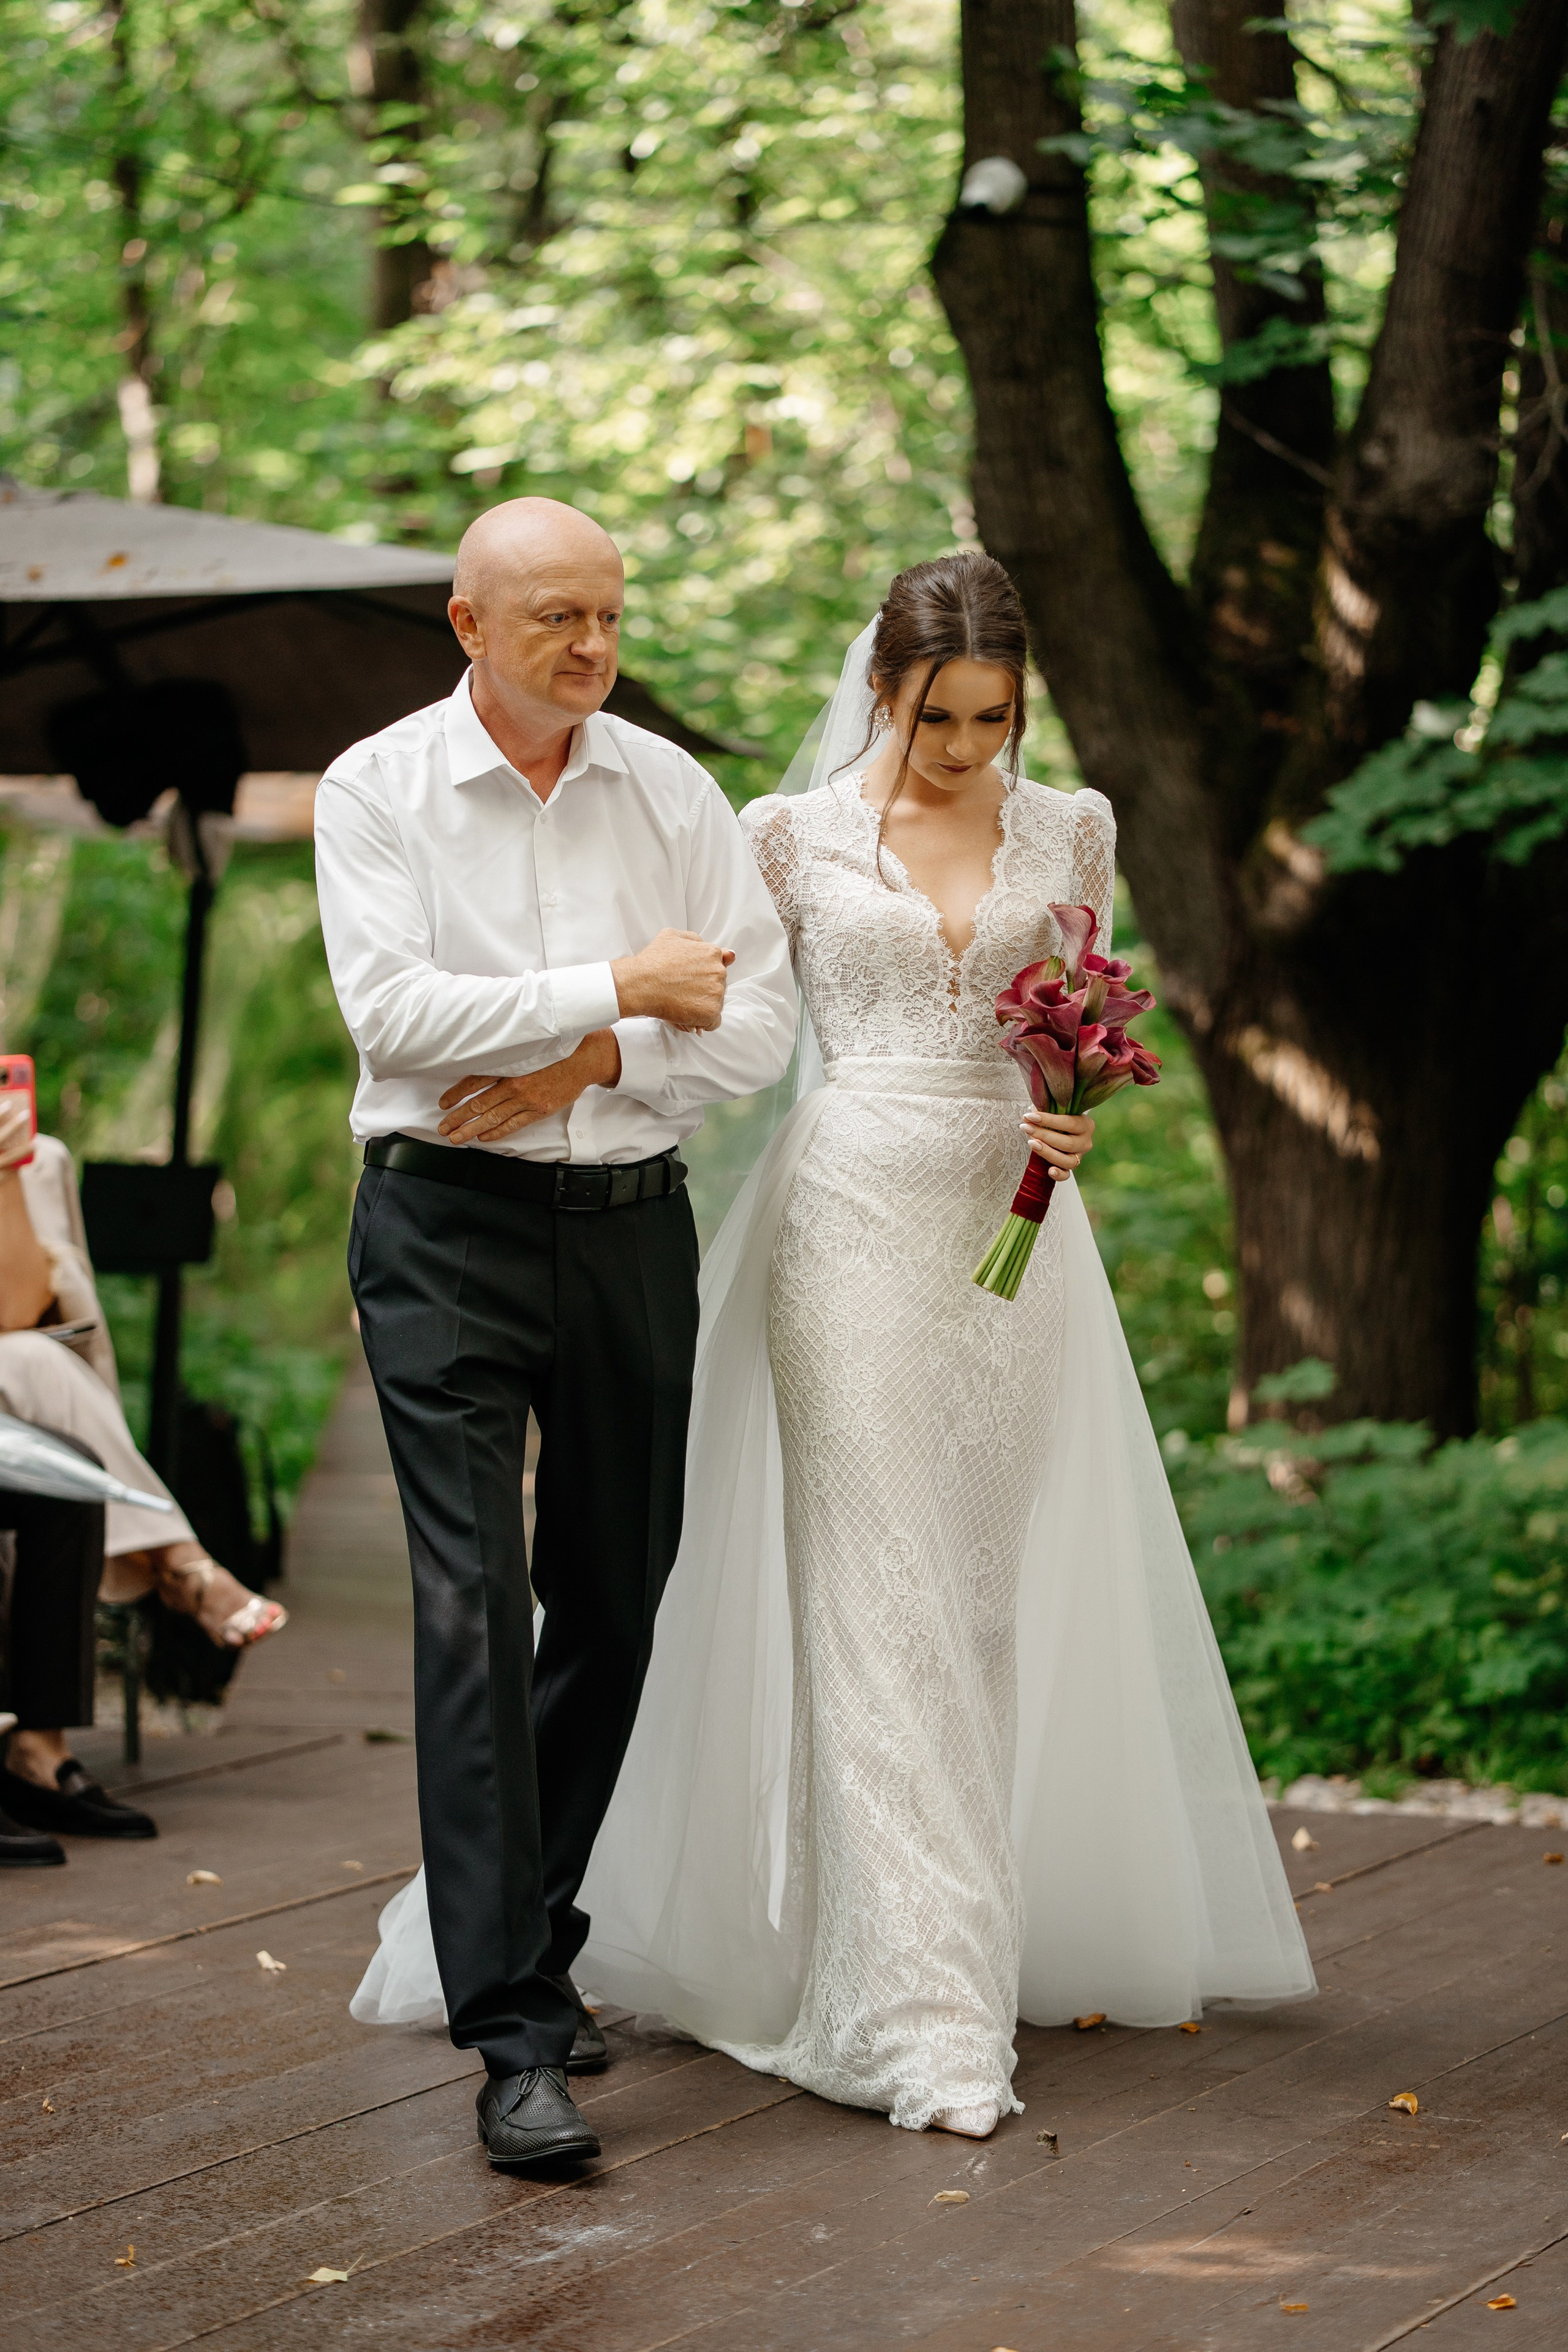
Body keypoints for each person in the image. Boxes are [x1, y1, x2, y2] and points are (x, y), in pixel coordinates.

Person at [353, 551, 1314, 2140]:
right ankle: (916, 2015)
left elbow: (1065, 1014)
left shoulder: (1074, 825)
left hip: (1010, 1237)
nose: (967, 751)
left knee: (980, 1606)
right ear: (883, 690)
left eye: (996, 718)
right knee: (877, 1596)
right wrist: (583, 1053)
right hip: (853, 1220)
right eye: (940, 719)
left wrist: (1070, 1112)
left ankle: (945, 1932)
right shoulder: (782, 834)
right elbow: (736, 1021)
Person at [315, 496, 796, 2172]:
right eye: (555, 622)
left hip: (624, 1227)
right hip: (440, 1224)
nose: (593, 649)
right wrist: (620, 987)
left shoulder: (670, 789)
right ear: (469, 626)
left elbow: (761, 1021)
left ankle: (543, 1927)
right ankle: (514, 2033)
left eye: (609, 615)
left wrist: (595, 1058)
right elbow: (394, 1015)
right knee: (469, 1608)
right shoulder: (375, 789)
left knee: (614, 1591)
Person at [0, 1098, 285, 1858]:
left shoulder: (37, 1160)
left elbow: (21, 1308)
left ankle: (38, 1749)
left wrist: (4, 1177)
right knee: (33, 1370)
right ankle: (184, 1565)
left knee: (66, 1473)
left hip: (13, 1412)